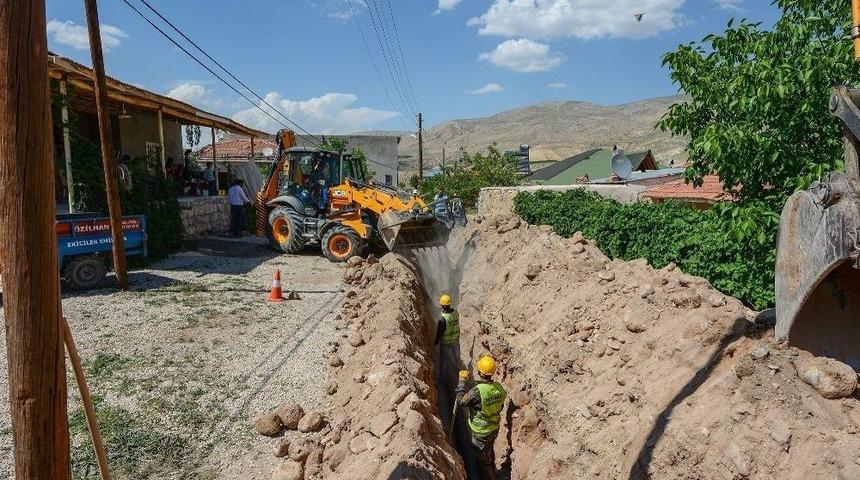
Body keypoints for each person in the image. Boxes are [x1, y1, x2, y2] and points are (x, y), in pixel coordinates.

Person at [457, 355, 507, 480]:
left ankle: (488, 476)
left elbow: (461, 402)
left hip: (481, 433)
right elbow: (500, 406)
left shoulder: (477, 392)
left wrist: (462, 381)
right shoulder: (499, 388)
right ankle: (491, 464)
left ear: (480, 372)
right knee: (488, 450)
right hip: (493, 429)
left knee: (482, 461)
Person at [434, 294, 460, 385]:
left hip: (445, 342)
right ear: (449, 304)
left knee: (444, 361)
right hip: (455, 340)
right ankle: (459, 376)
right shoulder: (456, 312)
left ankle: (442, 380)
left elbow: (440, 333)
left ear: (442, 305)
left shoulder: (442, 318)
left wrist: (436, 342)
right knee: (457, 359)